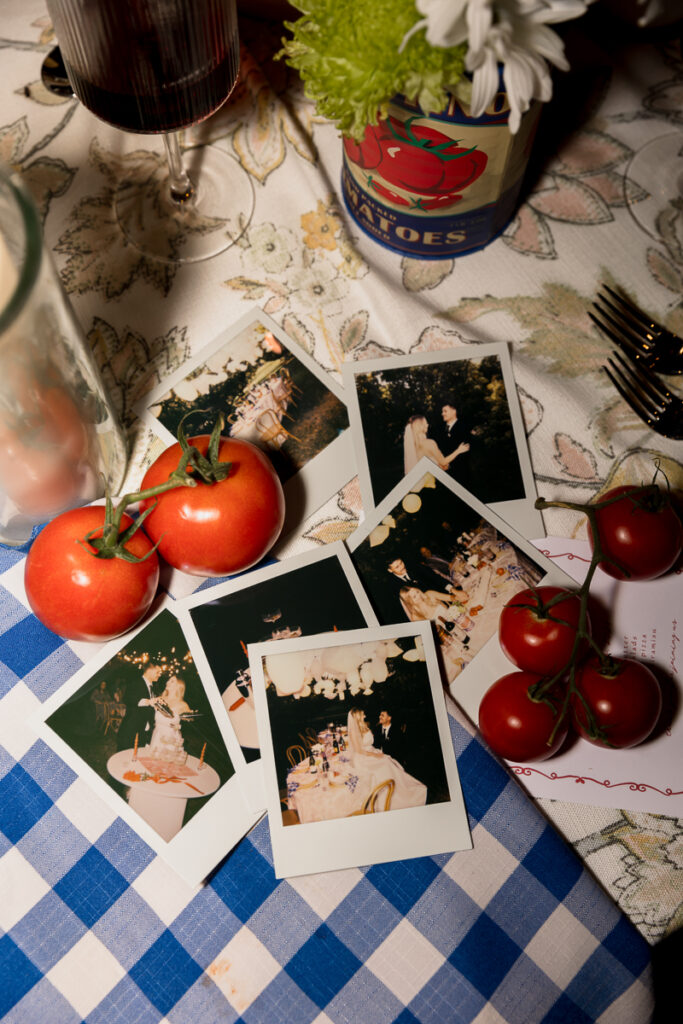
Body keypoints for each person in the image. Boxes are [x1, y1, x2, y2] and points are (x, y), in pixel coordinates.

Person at [346, 708, 426, 811]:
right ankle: (385, 796)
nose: (365, 716)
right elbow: (359, 750)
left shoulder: (365, 726)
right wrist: (374, 755)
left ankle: (400, 789)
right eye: (362, 715)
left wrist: (376, 752)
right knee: (383, 765)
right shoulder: (354, 731)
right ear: (357, 717)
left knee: (388, 762)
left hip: (372, 752)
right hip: (363, 757)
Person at [116, 661, 164, 752]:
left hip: (143, 731)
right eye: (158, 672)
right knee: (124, 756)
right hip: (131, 729)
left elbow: (150, 707)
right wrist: (148, 702)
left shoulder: (153, 687)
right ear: (149, 670)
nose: (160, 675)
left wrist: (157, 706)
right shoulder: (136, 682)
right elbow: (127, 699)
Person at [438, 401, 472, 490]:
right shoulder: (440, 429)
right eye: (442, 412)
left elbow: (466, 450)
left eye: (445, 411)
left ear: (454, 411)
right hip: (443, 472)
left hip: (460, 473)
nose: (442, 414)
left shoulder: (464, 427)